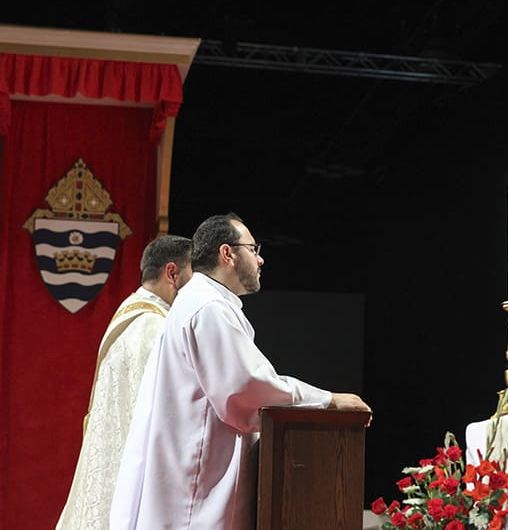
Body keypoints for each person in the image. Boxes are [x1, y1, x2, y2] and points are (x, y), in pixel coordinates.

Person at [109, 213, 371, 530]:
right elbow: (247, 389)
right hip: (197, 488)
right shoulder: (209, 308)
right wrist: (329, 401)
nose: (260, 259)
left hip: (190, 474)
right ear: (227, 253)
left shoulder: (200, 301)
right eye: (253, 248)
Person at [56, 234, 193, 530]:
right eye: (193, 274)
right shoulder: (152, 327)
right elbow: (157, 420)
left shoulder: (131, 313)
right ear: (172, 273)